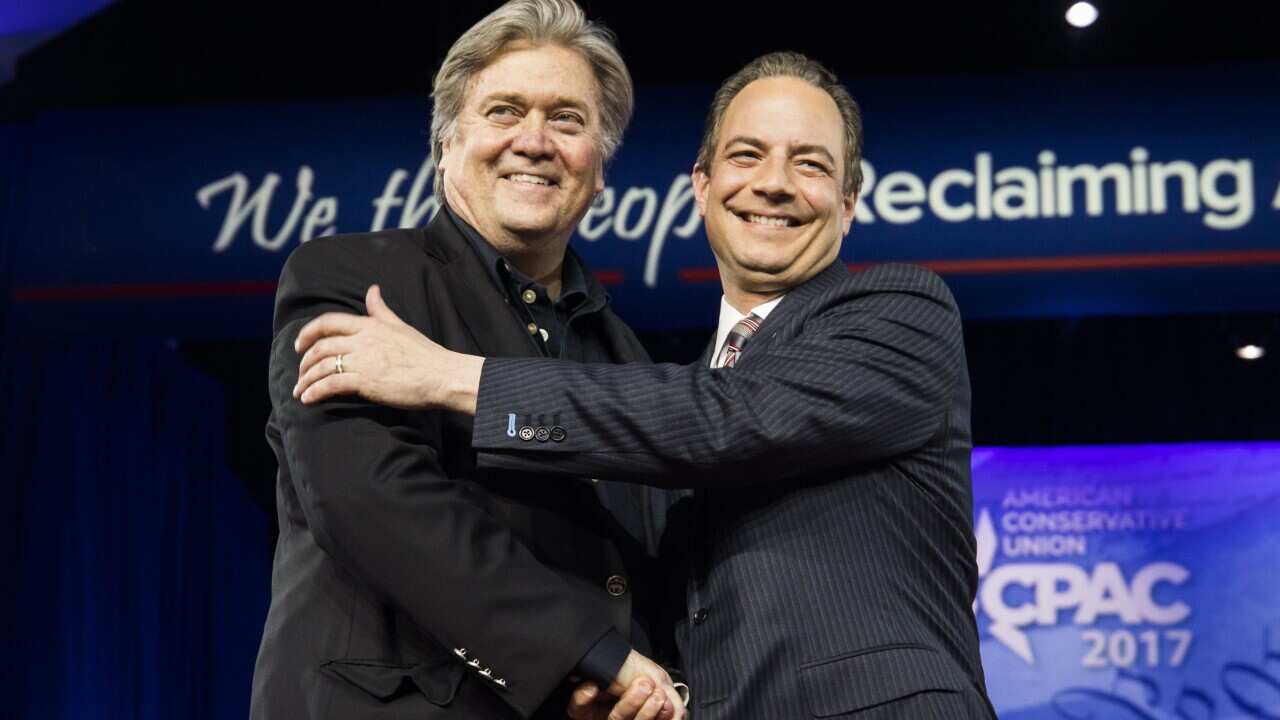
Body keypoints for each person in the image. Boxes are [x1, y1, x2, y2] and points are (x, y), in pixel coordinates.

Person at [293, 52, 996, 719]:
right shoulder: (654, 390)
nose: (774, 182)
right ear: (701, 187)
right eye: (746, 155)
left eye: (809, 164)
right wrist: (603, 672)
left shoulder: (902, 314)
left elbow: (729, 421)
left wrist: (451, 377)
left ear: (848, 205)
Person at [250, 1, 686, 718]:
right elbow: (370, 498)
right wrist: (591, 651)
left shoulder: (625, 357)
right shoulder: (352, 280)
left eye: (568, 120)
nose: (535, 141)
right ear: (446, 144)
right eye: (505, 112)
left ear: (599, 167)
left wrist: (629, 684)